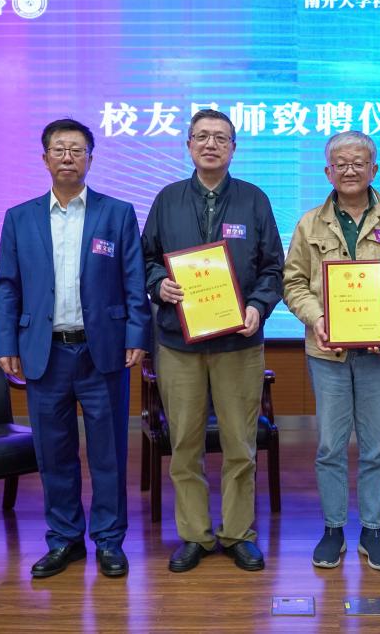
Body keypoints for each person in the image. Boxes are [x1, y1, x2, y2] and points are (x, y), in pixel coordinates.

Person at [0, 118, 151, 579]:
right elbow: (8, 287)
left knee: (108, 453)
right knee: (54, 452)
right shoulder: (20, 218)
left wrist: (137, 336)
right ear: (45, 158)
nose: (68, 157)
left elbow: (134, 280)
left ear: (90, 159)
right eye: (59, 149)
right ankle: (64, 539)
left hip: (103, 351)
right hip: (44, 352)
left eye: (77, 150)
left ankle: (109, 540)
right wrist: (7, 341)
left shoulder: (116, 213)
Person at [141, 109, 284, 573]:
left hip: (238, 345)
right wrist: (159, 284)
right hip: (178, 345)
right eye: (201, 136)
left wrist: (258, 306)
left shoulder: (253, 200)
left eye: (220, 138)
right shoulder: (167, 199)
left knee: (240, 444)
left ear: (233, 148)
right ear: (188, 145)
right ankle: (195, 536)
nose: (210, 144)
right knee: (185, 444)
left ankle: (238, 533)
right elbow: (145, 259)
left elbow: (273, 268)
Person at [283, 130, 380, 571]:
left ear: (373, 169)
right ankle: (333, 529)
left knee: (375, 445)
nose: (350, 170)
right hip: (326, 351)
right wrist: (316, 318)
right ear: (328, 172)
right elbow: (292, 283)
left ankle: (371, 530)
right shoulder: (310, 223)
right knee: (329, 445)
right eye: (341, 164)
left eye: (358, 162)